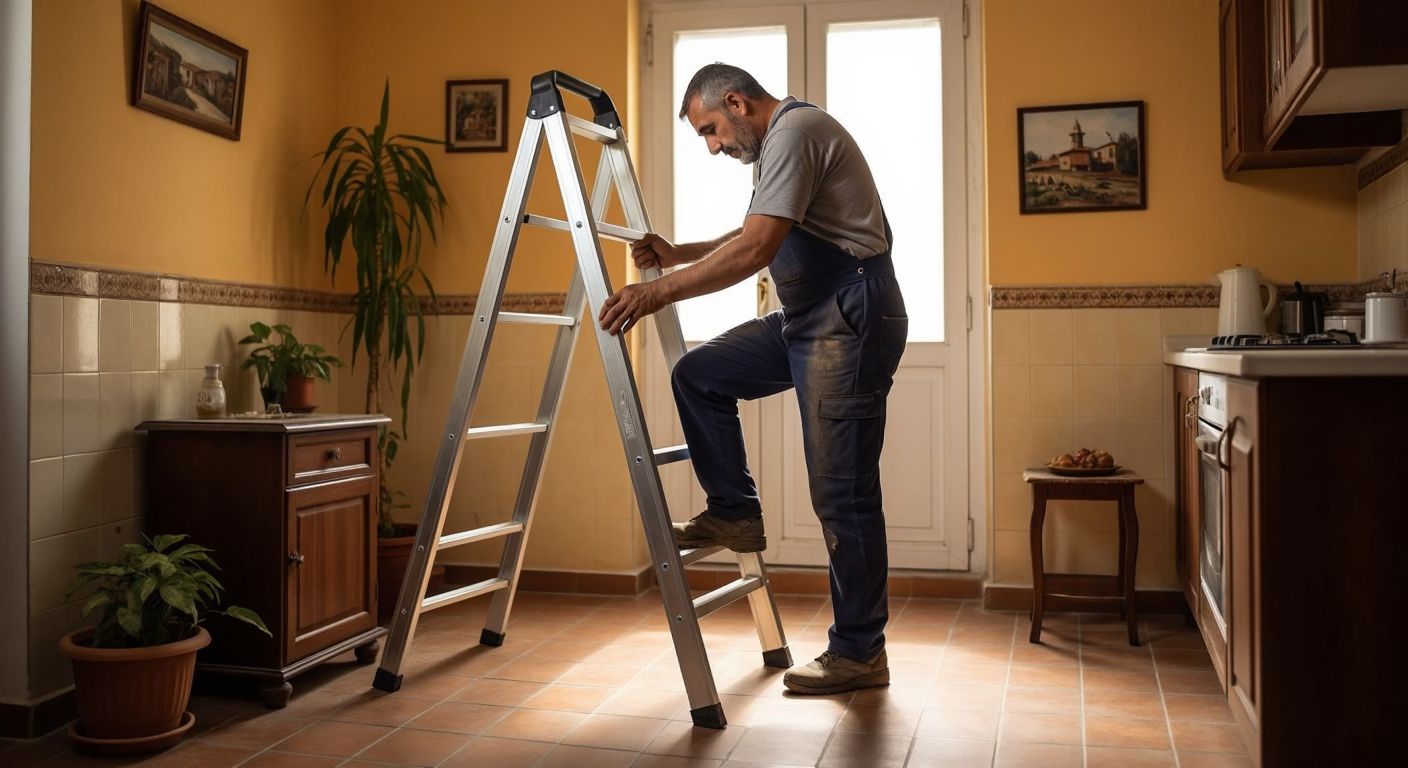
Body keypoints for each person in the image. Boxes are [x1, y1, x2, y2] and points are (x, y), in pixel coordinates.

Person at [598, 63, 907, 695]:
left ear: (736, 102)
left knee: (842, 492)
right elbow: (753, 230)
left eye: (710, 130)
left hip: (849, 313)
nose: (712, 147)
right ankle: (735, 512)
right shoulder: (776, 149)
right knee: (701, 374)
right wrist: (679, 254)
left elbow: (756, 250)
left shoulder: (796, 132)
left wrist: (655, 292)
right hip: (806, 315)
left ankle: (859, 651)